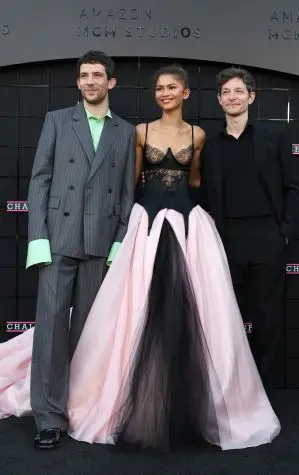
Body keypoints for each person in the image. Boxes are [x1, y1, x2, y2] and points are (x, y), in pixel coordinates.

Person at [0, 64, 280, 451]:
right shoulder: (138, 132)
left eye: (172, 88)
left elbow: (197, 180)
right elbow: (127, 183)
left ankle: (200, 400)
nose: (165, 93)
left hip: (187, 227)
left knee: (198, 314)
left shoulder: (199, 136)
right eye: (160, 88)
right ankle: (71, 402)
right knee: (129, 314)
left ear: (186, 94)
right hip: (143, 226)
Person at [1, 50, 135, 449]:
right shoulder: (57, 121)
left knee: (89, 336)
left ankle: (85, 408)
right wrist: (38, 240)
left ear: (111, 82)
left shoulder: (125, 131)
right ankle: (49, 418)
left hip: (100, 243)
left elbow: (127, 195)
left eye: (97, 75)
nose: (90, 81)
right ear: (78, 82)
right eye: (83, 76)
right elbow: (39, 182)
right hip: (58, 242)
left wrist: (117, 245)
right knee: (51, 333)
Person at [201, 67, 299, 389]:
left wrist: (284, 232)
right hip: (225, 240)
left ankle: (264, 390)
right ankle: (229, 389)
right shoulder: (210, 144)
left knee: (267, 319)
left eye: (239, 91)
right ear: (219, 100)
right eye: (226, 92)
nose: (233, 97)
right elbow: (203, 193)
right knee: (224, 318)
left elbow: (293, 188)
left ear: (251, 97)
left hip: (266, 239)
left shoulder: (274, 137)